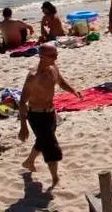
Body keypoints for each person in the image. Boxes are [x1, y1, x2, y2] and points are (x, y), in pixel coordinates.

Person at [18, 43, 81, 187]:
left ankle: (29, 162)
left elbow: (61, 81)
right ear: (41, 56)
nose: (56, 57)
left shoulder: (53, 68)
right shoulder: (33, 77)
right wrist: (23, 126)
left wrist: (73, 90)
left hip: (50, 113)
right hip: (36, 115)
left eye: (56, 54)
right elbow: (22, 102)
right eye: (52, 55)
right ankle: (55, 179)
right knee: (51, 146)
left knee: (43, 140)